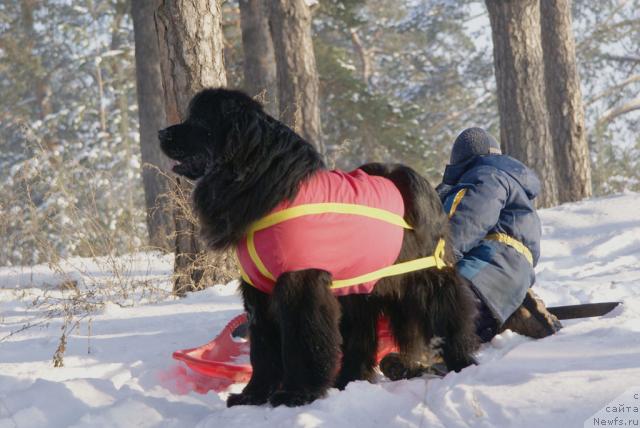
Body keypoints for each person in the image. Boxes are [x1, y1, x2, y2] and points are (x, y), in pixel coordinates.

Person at [436, 127, 562, 342]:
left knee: (443, 314)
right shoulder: (513, 186)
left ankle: (427, 353)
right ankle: (517, 312)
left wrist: (441, 254)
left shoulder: (485, 175)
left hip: (485, 267)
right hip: (508, 272)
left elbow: (470, 218)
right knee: (477, 325)